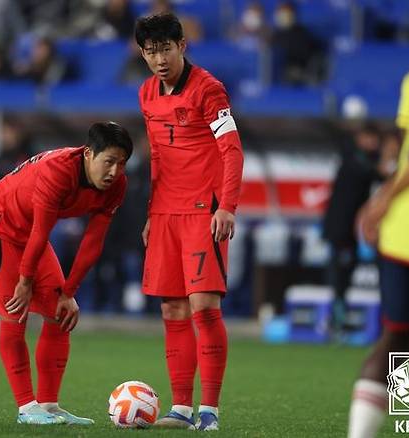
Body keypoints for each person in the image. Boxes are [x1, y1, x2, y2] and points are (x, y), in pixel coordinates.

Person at [0, 121, 132, 425]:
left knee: (60, 314)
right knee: (15, 313)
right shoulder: (58, 171)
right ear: (88, 154)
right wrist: (24, 281)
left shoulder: (117, 186)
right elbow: (43, 231)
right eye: (109, 161)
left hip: (30, 235)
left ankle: (49, 406)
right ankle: (26, 408)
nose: (114, 171)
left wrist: (68, 293)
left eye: (122, 164)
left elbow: (93, 242)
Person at [134, 13, 244, 431]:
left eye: (165, 48)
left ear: (182, 45)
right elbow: (158, 156)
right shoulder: (146, 93)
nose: (159, 59)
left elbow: (232, 150)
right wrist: (150, 211)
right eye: (150, 51)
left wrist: (227, 205)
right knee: (172, 309)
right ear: (142, 53)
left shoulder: (209, 89)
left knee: (204, 308)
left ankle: (210, 411)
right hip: (165, 213)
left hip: (204, 210)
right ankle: (181, 408)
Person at [348, 33, 409, 438]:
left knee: (401, 336)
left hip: (403, 222)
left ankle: (405, 424)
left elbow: (405, 144)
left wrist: (386, 198)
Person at [322, 122, 384, 332]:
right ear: (361, 138)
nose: (374, 143)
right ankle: (336, 321)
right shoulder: (354, 160)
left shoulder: (361, 160)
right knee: (340, 274)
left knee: (345, 273)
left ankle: (338, 318)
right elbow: (375, 174)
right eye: (370, 138)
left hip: (348, 230)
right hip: (340, 229)